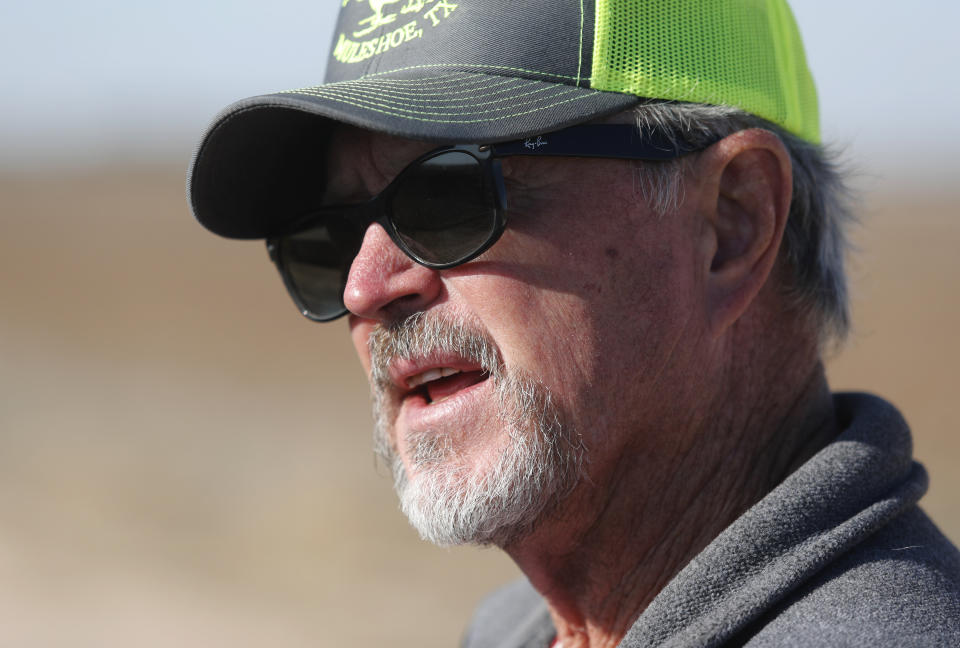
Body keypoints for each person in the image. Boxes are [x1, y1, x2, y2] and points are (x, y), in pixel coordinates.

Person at [188, 1, 960, 646]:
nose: (364, 289)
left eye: (449, 197)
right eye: (325, 238)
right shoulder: (514, 629)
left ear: (733, 223)